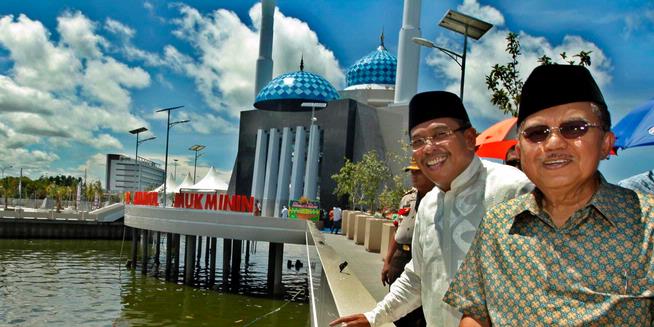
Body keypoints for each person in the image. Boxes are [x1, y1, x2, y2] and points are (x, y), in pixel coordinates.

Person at [444, 64, 654, 326]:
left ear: (605, 144)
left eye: (574, 128)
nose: (553, 143)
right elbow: (475, 313)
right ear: (519, 151)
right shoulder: (497, 225)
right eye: (536, 133)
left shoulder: (647, 225)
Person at [330, 91, 533, 327]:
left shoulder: (512, 190)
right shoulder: (428, 204)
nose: (428, 148)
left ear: (469, 138)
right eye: (418, 141)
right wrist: (375, 316)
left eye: (440, 134)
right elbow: (417, 276)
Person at [380, 159, 433, 327]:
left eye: (417, 172)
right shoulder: (407, 198)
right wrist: (387, 261)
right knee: (397, 306)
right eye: (411, 172)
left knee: (419, 312)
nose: (413, 176)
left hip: (421, 258)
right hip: (400, 257)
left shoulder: (438, 198)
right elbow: (397, 231)